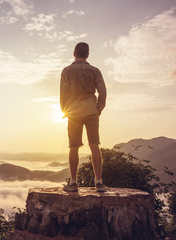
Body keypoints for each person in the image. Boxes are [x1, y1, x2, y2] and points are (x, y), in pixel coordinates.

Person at [60, 42, 107, 192]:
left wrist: (64, 109)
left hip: (73, 112)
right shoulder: (94, 71)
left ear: (74, 53)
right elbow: (103, 92)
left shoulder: (66, 71)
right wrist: (98, 108)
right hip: (91, 110)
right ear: (87, 54)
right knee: (94, 145)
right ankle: (99, 182)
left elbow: (63, 94)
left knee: (73, 147)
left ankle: (73, 182)